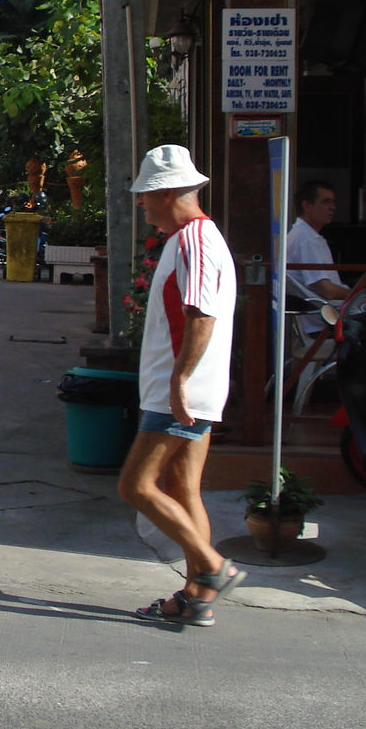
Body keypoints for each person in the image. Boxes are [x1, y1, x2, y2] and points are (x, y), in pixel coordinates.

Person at [118, 145, 245, 627]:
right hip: (188, 390)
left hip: (181, 393)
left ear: (168, 192)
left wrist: (180, 381)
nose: (142, 204)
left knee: (135, 484)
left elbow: (201, 317)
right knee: (182, 488)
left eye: (147, 195)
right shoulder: (189, 238)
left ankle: (212, 568)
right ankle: (197, 598)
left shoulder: (194, 241)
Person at [287, 180, 350, 330]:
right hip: (324, 323)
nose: (332, 207)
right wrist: (357, 295)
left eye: (333, 202)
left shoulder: (307, 235)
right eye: (326, 202)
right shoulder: (306, 239)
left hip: (326, 318)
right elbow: (326, 290)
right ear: (307, 206)